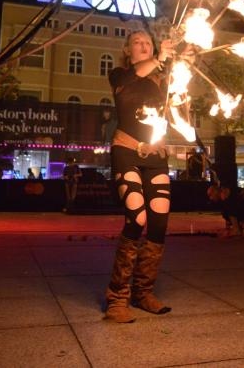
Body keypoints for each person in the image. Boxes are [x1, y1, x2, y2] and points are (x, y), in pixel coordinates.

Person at [104, 30, 173, 323]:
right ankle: (117, 298)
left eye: (148, 42)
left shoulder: (161, 80)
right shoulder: (120, 75)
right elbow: (136, 76)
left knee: (159, 222)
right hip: (126, 150)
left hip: (156, 156)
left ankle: (143, 293)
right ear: (127, 50)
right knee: (137, 217)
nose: (144, 45)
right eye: (137, 42)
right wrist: (159, 58)